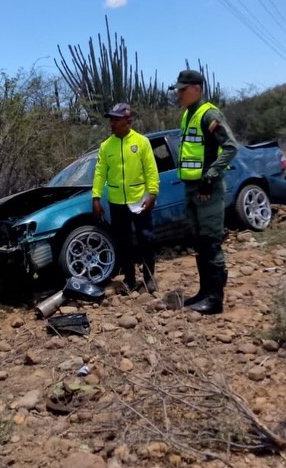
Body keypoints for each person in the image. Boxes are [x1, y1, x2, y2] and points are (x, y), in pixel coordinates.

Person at [169, 70, 239, 314]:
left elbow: (230, 147)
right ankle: (204, 292)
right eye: (178, 90)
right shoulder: (188, 114)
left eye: (182, 90)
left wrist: (210, 176)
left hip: (208, 189)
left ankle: (215, 299)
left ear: (196, 89)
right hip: (191, 187)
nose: (179, 94)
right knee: (199, 241)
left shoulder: (208, 113)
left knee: (210, 241)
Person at [91, 103, 160, 292]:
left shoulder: (142, 142)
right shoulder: (106, 146)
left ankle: (149, 278)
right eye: (111, 120)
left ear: (127, 121)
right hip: (117, 203)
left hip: (139, 200)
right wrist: (96, 197)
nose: (112, 123)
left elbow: (151, 170)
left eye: (116, 119)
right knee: (123, 242)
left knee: (146, 239)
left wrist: (152, 194)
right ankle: (129, 279)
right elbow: (100, 173)